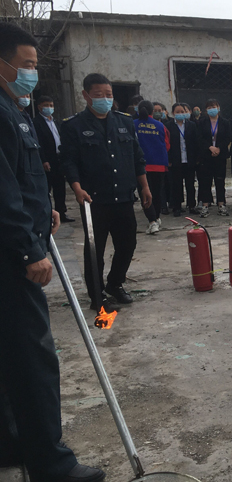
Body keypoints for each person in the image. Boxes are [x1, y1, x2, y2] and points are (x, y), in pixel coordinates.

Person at [0, 22, 106, 482]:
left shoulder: (13, 109)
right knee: (32, 358)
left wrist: (44, 213)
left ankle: (11, 442)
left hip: (21, 239)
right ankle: (49, 461)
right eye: (26, 65)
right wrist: (29, 247)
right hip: (12, 258)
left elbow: (22, 180)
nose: (33, 74)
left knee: (9, 353)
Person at [60, 73, 151, 309]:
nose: (105, 99)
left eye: (108, 94)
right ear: (86, 95)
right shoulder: (73, 126)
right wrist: (77, 189)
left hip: (123, 197)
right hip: (94, 200)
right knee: (95, 251)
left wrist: (144, 186)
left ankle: (115, 284)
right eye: (99, 94)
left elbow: (137, 157)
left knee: (127, 245)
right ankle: (97, 296)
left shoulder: (124, 122)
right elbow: (69, 162)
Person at [34, 96, 74, 223]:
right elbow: (38, 143)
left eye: (51, 105)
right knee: (46, 188)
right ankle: (47, 214)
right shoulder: (36, 123)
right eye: (46, 105)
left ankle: (61, 212)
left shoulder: (56, 122)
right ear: (39, 107)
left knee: (60, 187)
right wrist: (43, 160)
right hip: (48, 159)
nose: (49, 108)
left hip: (59, 159)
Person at [133, 100, 169, 234]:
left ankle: (152, 221)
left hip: (141, 166)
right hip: (159, 164)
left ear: (138, 111)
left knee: (145, 193)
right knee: (157, 193)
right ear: (152, 111)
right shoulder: (160, 125)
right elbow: (167, 144)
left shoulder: (133, 125)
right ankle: (157, 218)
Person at [196, 98, 231, 217]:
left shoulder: (225, 122)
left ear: (218, 108)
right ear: (206, 110)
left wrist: (219, 148)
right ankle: (205, 205)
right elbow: (199, 138)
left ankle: (221, 204)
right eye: (209, 107)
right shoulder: (201, 122)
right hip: (206, 156)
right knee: (205, 181)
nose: (212, 109)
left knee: (220, 181)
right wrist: (210, 147)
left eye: (214, 107)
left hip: (220, 155)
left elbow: (227, 137)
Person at [166, 103, 201, 217]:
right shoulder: (169, 126)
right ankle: (177, 207)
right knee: (176, 185)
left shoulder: (191, 125)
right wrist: (169, 159)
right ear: (173, 113)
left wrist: (197, 158)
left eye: (182, 112)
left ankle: (191, 205)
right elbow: (167, 144)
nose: (180, 114)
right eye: (178, 112)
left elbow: (196, 142)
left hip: (189, 159)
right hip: (175, 160)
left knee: (190, 184)